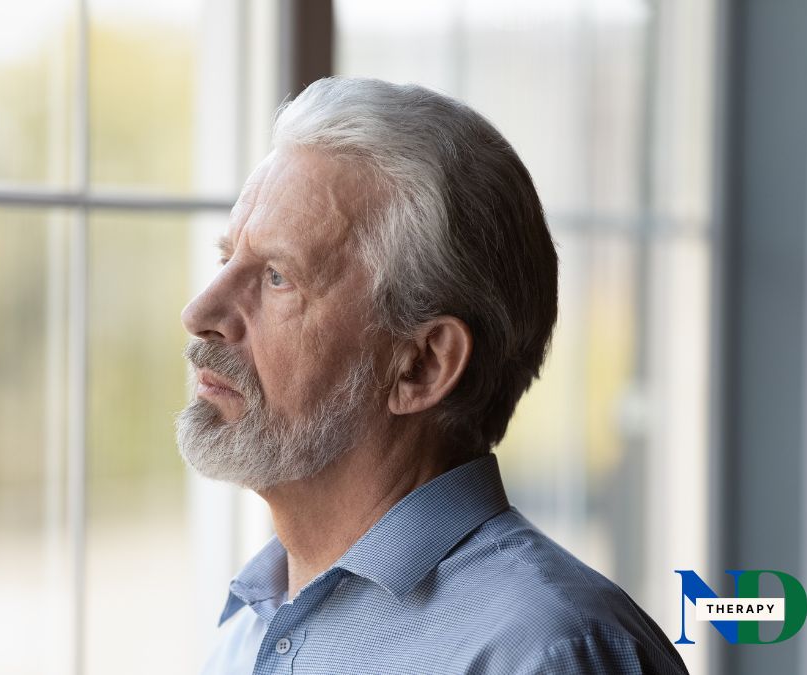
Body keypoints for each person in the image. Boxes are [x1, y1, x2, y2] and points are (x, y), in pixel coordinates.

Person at [175, 77, 687, 675]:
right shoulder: (249, 629)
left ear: (422, 365)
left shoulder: (546, 653)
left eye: (277, 277)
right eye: (226, 258)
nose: (200, 313)